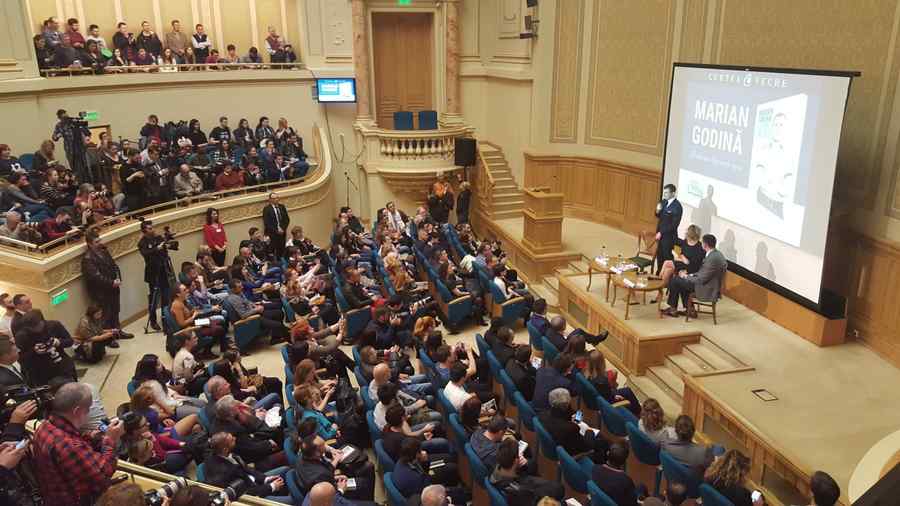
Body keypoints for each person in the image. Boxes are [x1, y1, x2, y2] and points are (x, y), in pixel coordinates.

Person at [32, 382, 125, 506]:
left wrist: (92, 437)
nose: (89, 413)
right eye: (88, 409)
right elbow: (104, 473)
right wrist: (111, 439)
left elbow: (73, 440)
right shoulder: (68, 445)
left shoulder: (44, 426)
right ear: (77, 411)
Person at [205, 432, 292, 503]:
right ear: (225, 449)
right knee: (292, 501)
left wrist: (265, 478)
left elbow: (247, 469)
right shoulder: (225, 472)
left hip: (253, 482)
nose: (235, 438)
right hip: (250, 496)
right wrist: (272, 486)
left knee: (285, 471)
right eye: (232, 440)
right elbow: (247, 492)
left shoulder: (225, 453)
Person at [295, 434, 377, 502]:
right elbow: (331, 498)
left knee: (367, 467)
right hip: (332, 493)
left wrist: (335, 476)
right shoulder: (321, 474)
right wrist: (341, 490)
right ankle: (369, 502)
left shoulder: (303, 455)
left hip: (327, 481)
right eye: (323, 445)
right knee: (364, 483)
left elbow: (323, 476)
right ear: (317, 453)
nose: (326, 446)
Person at [538, 388, 609, 464]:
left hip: (559, 440)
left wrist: (577, 416)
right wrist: (589, 431)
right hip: (573, 451)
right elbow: (586, 446)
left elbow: (570, 412)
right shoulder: (571, 428)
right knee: (602, 441)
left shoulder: (542, 415)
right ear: (566, 405)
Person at [662, 234, 726, 318]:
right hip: (710, 284)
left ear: (705, 245)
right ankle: (690, 309)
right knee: (681, 281)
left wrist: (686, 277)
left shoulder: (711, 259)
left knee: (675, 280)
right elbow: (704, 273)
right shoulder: (716, 254)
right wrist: (690, 275)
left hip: (706, 288)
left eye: (702, 242)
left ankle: (673, 309)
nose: (701, 243)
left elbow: (701, 279)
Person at [81, 227, 130, 333]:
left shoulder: (104, 251)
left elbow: (114, 266)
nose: (99, 243)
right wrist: (111, 283)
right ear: (89, 244)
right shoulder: (88, 258)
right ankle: (109, 337)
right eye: (96, 242)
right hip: (101, 292)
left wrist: (118, 278)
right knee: (105, 315)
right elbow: (96, 277)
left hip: (113, 288)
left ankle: (118, 332)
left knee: (115, 310)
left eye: (99, 240)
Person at [490, 438, 564, 506]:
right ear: (515, 461)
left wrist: (525, 463)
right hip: (530, 494)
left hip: (521, 482)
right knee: (558, 489)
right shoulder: (521, 493)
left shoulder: (497, 470)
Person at [15, 309, 76, 386]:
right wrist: (34, 351)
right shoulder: (21, 336)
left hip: (63, 366)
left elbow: (70, 341)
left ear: (42, 320)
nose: (36, 329)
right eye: (32, 328)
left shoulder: (54, 325)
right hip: (41, 373)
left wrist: (58, 342)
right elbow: (21, 358)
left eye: (37, 326)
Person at [223, 278, 289, 343]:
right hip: (251, 320)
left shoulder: (239, 293)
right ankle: (288, 337)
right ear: (233, 289)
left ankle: (277, 336)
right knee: (278, 325)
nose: (242, 288)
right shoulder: (234, 299)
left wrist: (254, 305)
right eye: (239, 287)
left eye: (241, 286)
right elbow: (243, 315)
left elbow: (247, 302)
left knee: (279, 313)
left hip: (254, 313)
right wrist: (256, 310)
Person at [138, 219, 176, 331]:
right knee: (154, 298)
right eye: (150, 228)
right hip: (153, 273)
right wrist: (156, 249)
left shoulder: (158, 238)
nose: (153, 230)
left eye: (152, 227)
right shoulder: (142, 243)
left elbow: (167, 248)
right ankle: (153, 321)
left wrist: (167, 244)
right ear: (144, 230)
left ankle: (165, 319)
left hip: (163, 270)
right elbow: (145, 254)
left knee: (166, 296)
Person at [655, 184, 683, 274]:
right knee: (659, 255)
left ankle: (667, 276)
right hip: (660, 235)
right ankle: (659, 273)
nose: (664, 194)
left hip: (669, 237)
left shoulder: (677, 206)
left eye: (666, 193)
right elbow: (658, 215)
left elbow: (674, 225)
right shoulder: (663, 202)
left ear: (673, 193)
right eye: (664, 192)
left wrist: (661, 232)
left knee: (667, 257)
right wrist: (657, 211)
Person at [263, 192, 290, 259]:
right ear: (270, 200)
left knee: (282, 249)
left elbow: (287, 219)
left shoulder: (282, 206)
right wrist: (277, 230)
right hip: (273, 234)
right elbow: (267, 223)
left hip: (282, 232)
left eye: (277, 198)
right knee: (274, 251)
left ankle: (283, 261)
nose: (276, 199)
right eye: (274, 198)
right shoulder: (267, 209)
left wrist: (283, 229)